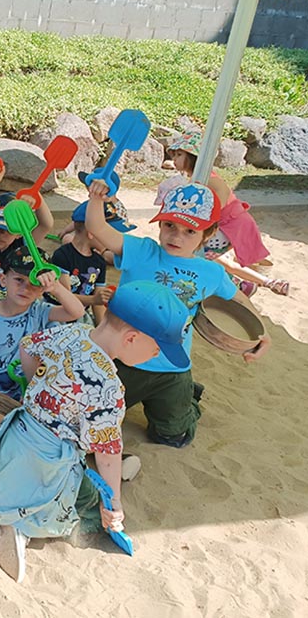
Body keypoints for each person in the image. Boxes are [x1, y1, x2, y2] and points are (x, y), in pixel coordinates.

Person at [0, 281, 190, 582]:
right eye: (156, 350)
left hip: (18, 435)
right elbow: (107, 453)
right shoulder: (109, 388)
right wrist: (115, 504)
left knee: (28, 471)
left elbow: (27, 346)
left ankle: (9, 508)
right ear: (131, 338)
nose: (155, 357)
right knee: (89, 503)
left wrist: (36, 385)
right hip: (49, 462)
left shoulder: (72, 331)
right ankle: (20, 527)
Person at [87, 180, 271, 447]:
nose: (176, 237)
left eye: (190, 231)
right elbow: (97, 228)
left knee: (173, 436)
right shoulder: (141, 251)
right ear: (160, 223)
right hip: (122, 361)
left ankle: (188, 398)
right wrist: (96, 198)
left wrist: (263, 333)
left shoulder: (212, 272)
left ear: (209, 233)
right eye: (169, 226)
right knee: (92, 416)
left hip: (172, 367)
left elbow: (238, 299)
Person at [0, 245, 85, 432]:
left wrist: (56, 288)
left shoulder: (39, 310)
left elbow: (76, 312)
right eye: (19, 280)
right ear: (3, 279)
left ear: (42, 289)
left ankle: (21, 425)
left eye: (34, 282)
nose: (26, 288)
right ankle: (21, 428)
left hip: (24, 387)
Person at [160, 131, 288, 296]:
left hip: (229, 227)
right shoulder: (198, 178)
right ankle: (249, 284)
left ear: (193, 157)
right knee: (207, 257)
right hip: (224, 226)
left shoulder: (210, 180)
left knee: (194, 255)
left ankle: (238, 286)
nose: (174, 159)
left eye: (179, 155)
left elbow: (213, 212)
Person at [0, 162, 54, 308]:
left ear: (19, 234)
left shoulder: (22, 248)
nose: (0, 234)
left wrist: (36, 196)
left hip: (16, 314)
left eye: (7, 230)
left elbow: (46, 224)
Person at [49, 200, 136, 325]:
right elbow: (63, 296)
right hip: (57, 314)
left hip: (81, 315)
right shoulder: (62, 256)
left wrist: (100, 328)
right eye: (110, 234)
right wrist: (94, 299)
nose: (114, 240)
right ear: (91, 233)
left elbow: (98, 303)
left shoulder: (99, 262)